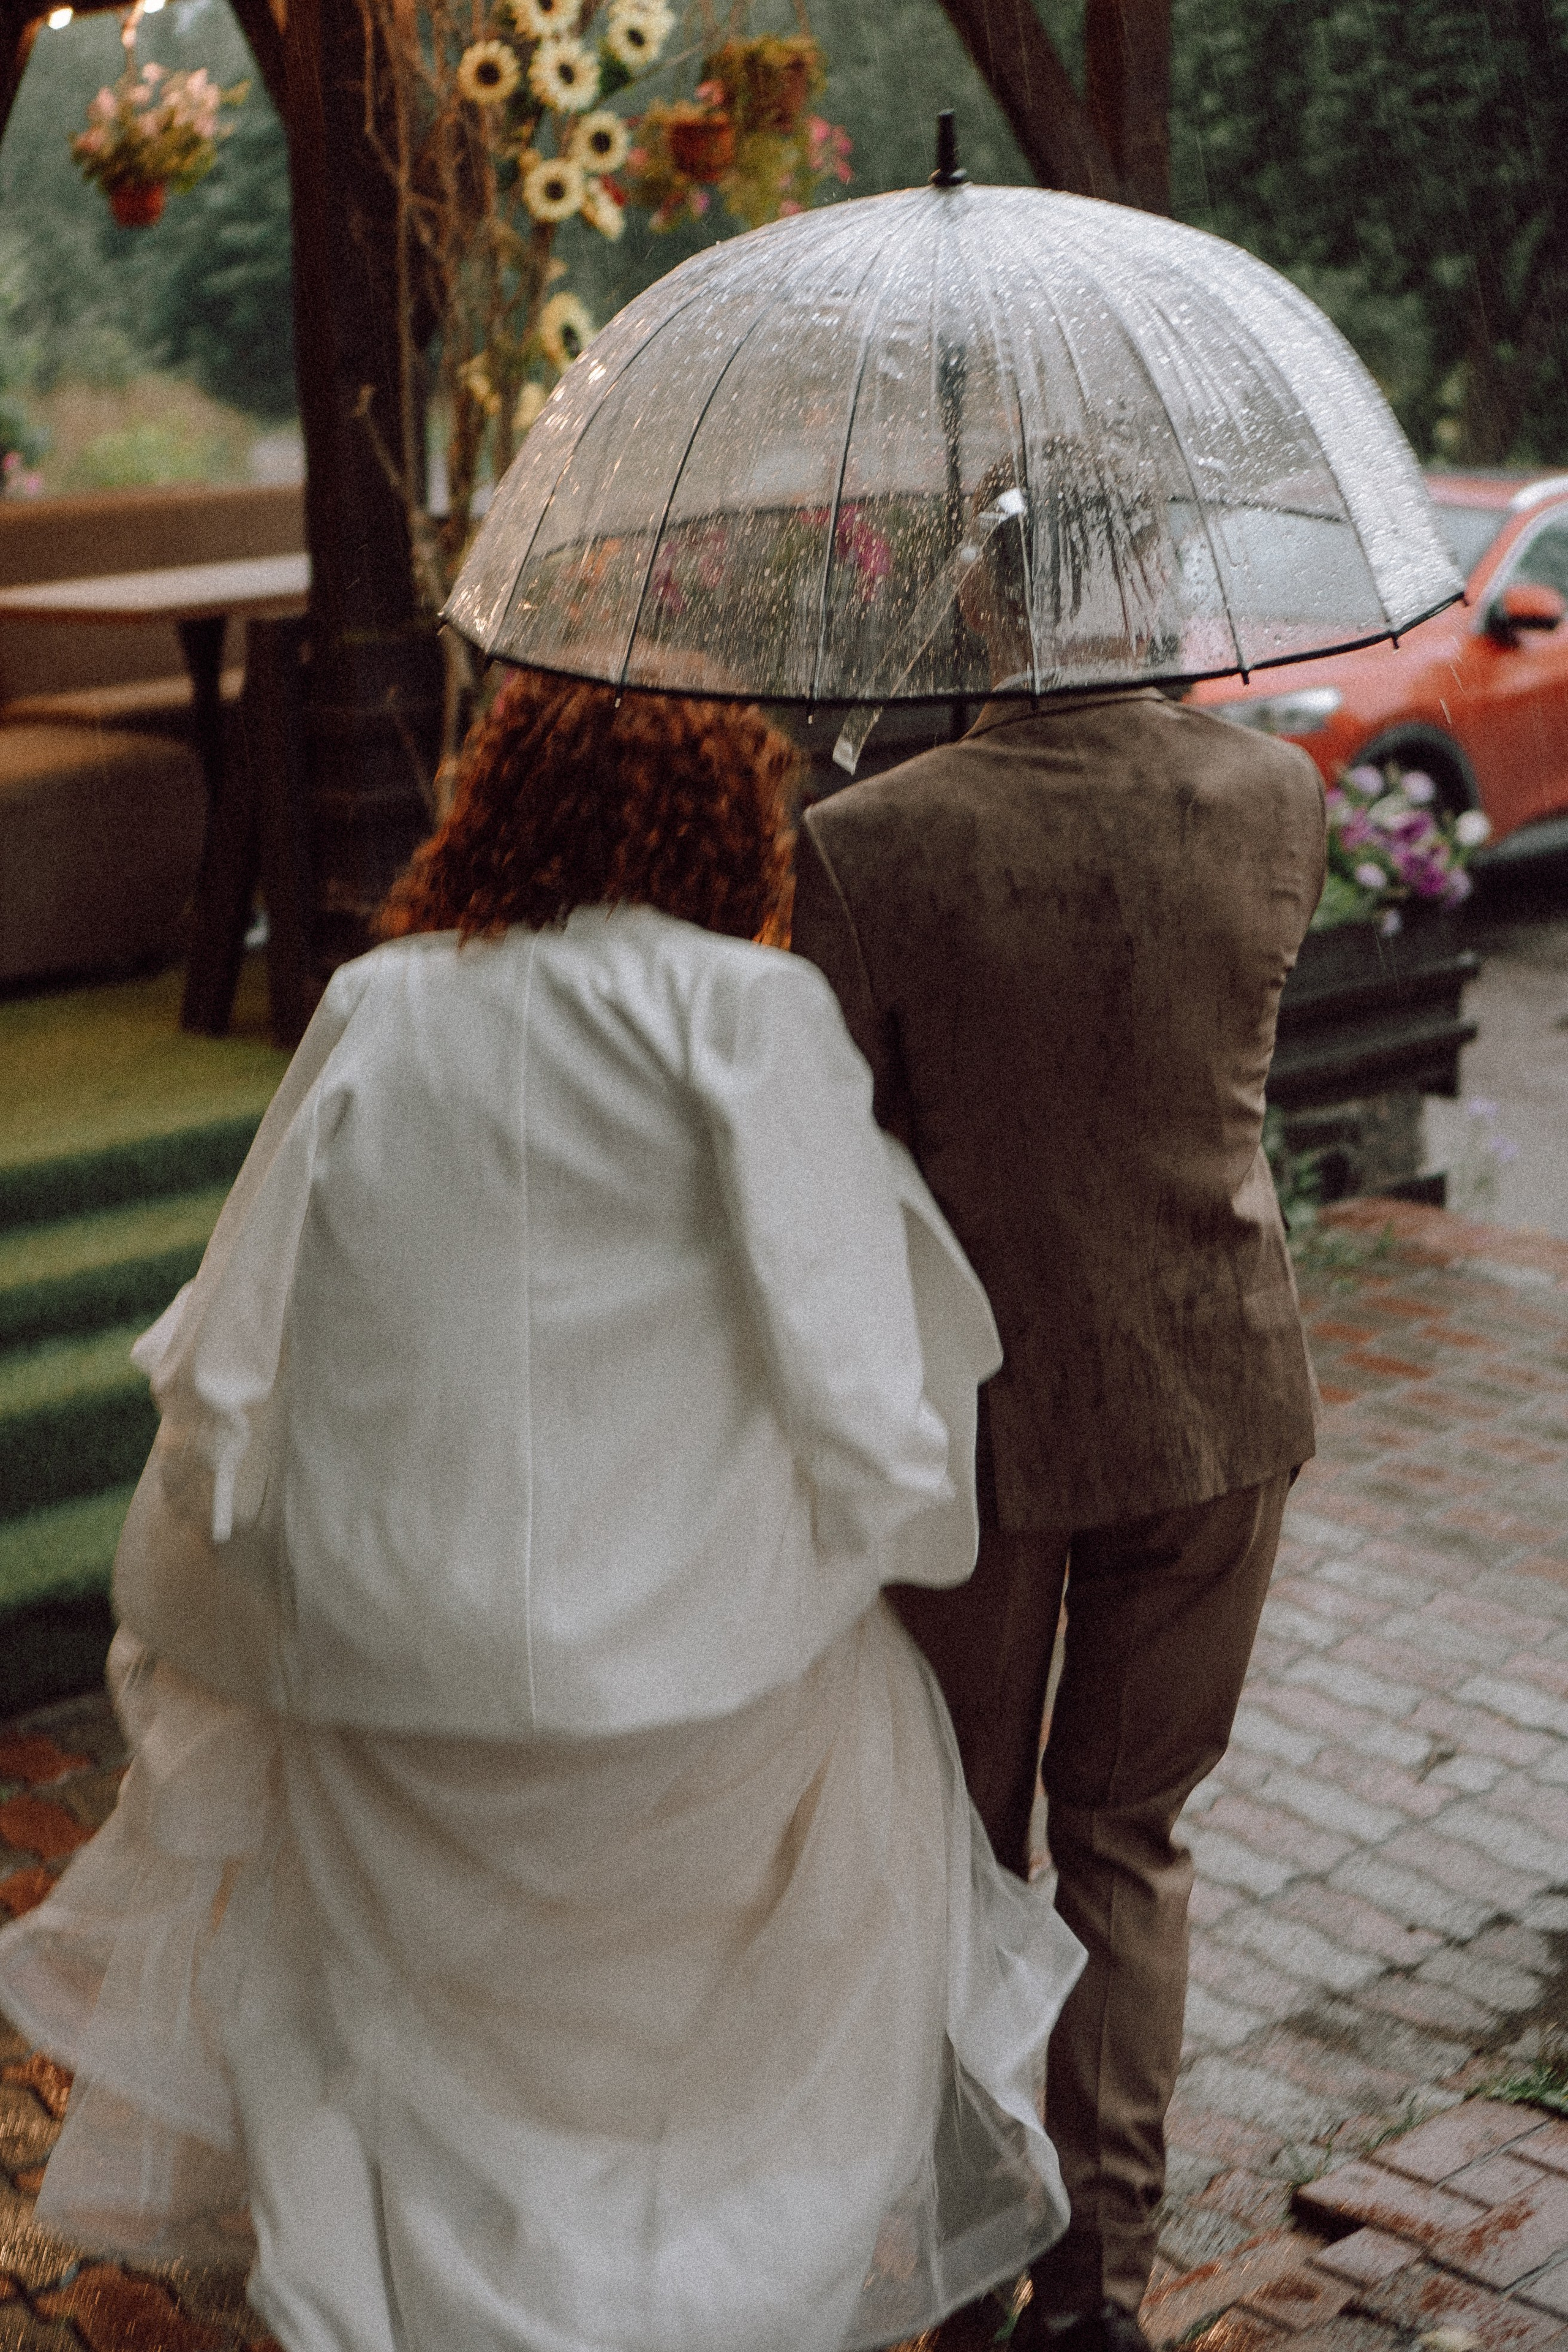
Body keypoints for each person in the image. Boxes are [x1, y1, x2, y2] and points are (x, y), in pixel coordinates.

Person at [0, 673, 1085, 2352]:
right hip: (679, 1673)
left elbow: (233, 1337)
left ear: (493, 803)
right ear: (730, 822)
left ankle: (405, 2301)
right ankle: (673, 2295)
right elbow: (851, 1366)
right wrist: (881, 1535)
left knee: (402, 2029)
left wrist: (237, 1534)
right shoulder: (750, 1013)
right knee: (825, 1808)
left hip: (389, 1645)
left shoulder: (382, 1004)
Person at [791, 460, 1326, 2352]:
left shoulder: (872, 840)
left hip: (983, 1425)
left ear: (994, 610)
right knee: (1128, 1842)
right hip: (1216, 1389)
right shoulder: (1278, 794)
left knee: (963, 1857)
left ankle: (964, 2270)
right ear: (1157, 589)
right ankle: (1099, 2290)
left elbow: (833, 1145)